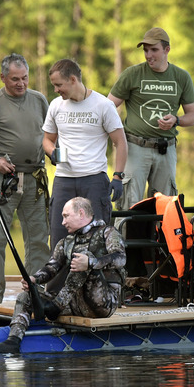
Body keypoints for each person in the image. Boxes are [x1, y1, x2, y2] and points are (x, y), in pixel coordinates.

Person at [0, 197, 126, 353]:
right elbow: (51, 267)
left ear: (81, 213)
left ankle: (55, 306)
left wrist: (91, 262)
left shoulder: (108, 232)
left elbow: (121, 258)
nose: (62, 222)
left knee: (83, 256)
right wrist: (34, 279)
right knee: (25, 297)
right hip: (74, 303)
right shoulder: (66, 241)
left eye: (66, 216)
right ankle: (13, 340)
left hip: (103, 304)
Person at [0, 53, 52, 304]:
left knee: (38, 240)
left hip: (36, 180)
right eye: (15, 79)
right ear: (2, 77)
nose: (21, 83)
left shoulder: (39, 100)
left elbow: (51, 134)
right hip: (4, 182)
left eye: (25, 78)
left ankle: (36, 295)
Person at [108, 27, 194, 210]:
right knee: (130, 205)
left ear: (167, 50)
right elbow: (107, 107)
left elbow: (193, 117)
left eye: (154, 50)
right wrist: (114, 137)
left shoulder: (181, 77)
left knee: (166, 207)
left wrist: (176, 120)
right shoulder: (132, 74)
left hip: (166, 149)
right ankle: (126, 239)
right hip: (135, 148)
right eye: (145, 50)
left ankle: (162, 239)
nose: (148, 55)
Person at [42, 58, 128, 250]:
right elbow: (47, 140)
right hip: (64, 180)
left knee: (97, 240)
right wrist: (52, 153)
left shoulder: (103, 105)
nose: (56, 90)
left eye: (58, 85)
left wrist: (118, 177)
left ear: (73, 79)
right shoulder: (56, 106)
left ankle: (98, 281)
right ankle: (57, 281)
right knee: (58, 238)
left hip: (94, 181)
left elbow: (120, 142)